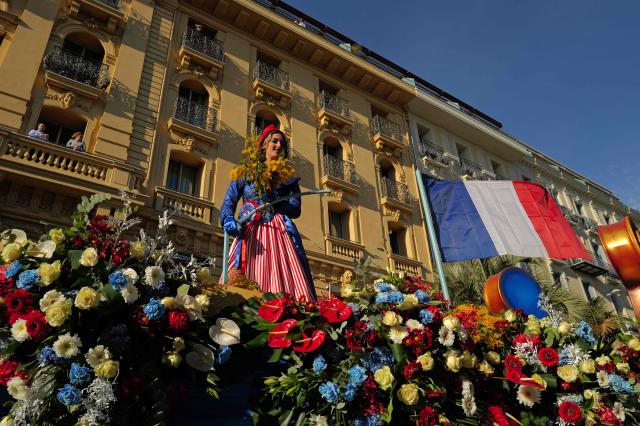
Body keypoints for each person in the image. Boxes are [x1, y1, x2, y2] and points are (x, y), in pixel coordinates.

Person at [220, 125, 317, 302]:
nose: (279, 145)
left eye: (282, 143)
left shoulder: (288, 178)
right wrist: (227, 218)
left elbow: (296, 209)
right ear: (264, 144)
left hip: (278, 231)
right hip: (250, 231)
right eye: (275, 141)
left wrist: (274, 201)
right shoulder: (247, 171)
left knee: (282, 280)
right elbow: (230, 199)